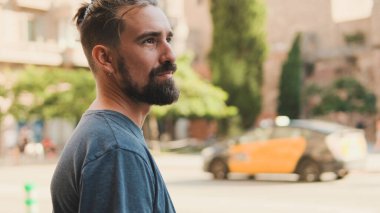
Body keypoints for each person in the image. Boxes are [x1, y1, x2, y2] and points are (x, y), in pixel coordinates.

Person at [50, 0, 179, 212]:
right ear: (105, 58)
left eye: (168, 39)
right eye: (149, 41)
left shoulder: (104, 136)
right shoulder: (117, 149)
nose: (170, 55)